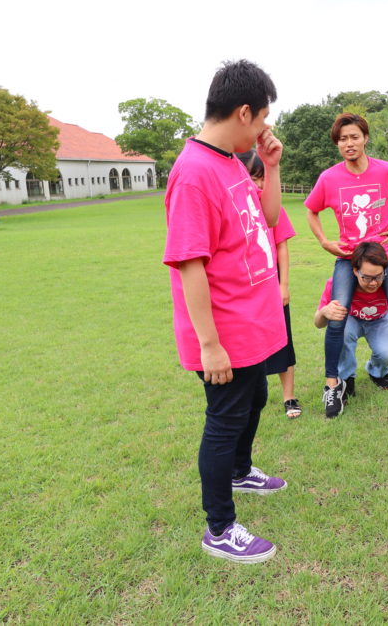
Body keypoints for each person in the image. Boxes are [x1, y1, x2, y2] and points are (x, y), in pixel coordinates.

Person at [163, 60, 288, 564]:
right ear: (243, 112)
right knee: (224, 419)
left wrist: (271, 166)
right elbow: (189, 265)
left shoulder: (231, 161)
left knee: (254, 399)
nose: (263, 128)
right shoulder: (194, 174)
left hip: (252, 323)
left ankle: (240, 471)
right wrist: (210, 345)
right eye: (262, 118)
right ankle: (219, 527)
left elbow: (269, 219)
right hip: (225, 332)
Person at [304, 113, 388, 418]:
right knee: (337, 313)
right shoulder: (329, 178)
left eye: (354, 137)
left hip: (384, 254)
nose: (349, 143)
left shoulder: (385, 170)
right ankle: (333, 384)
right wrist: (324, 241)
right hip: (348, 257)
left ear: (365, 138)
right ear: (337, 143)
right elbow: (311, 210)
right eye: (342, 139)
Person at [313, 242, 388, 405]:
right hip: (350, 319)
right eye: (366, 277)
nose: (373, 283)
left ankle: (377, 372)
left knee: (387, 352)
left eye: (378, 276)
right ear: (355, 271)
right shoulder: (337, 284)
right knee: (342, 334)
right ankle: (345, 378)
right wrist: (324, 312)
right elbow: (318, 324)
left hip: (379, 320)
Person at [237, 149, 301, 419]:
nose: (260, 185)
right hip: (244, 288)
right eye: (254, 178)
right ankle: (249, 396)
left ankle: (289, 396)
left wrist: (283, 285)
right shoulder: (235, 205)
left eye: (263, 178)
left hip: (271, 284)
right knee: (247, 343)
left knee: (283, 339)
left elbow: (282, 246)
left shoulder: (272, 204)